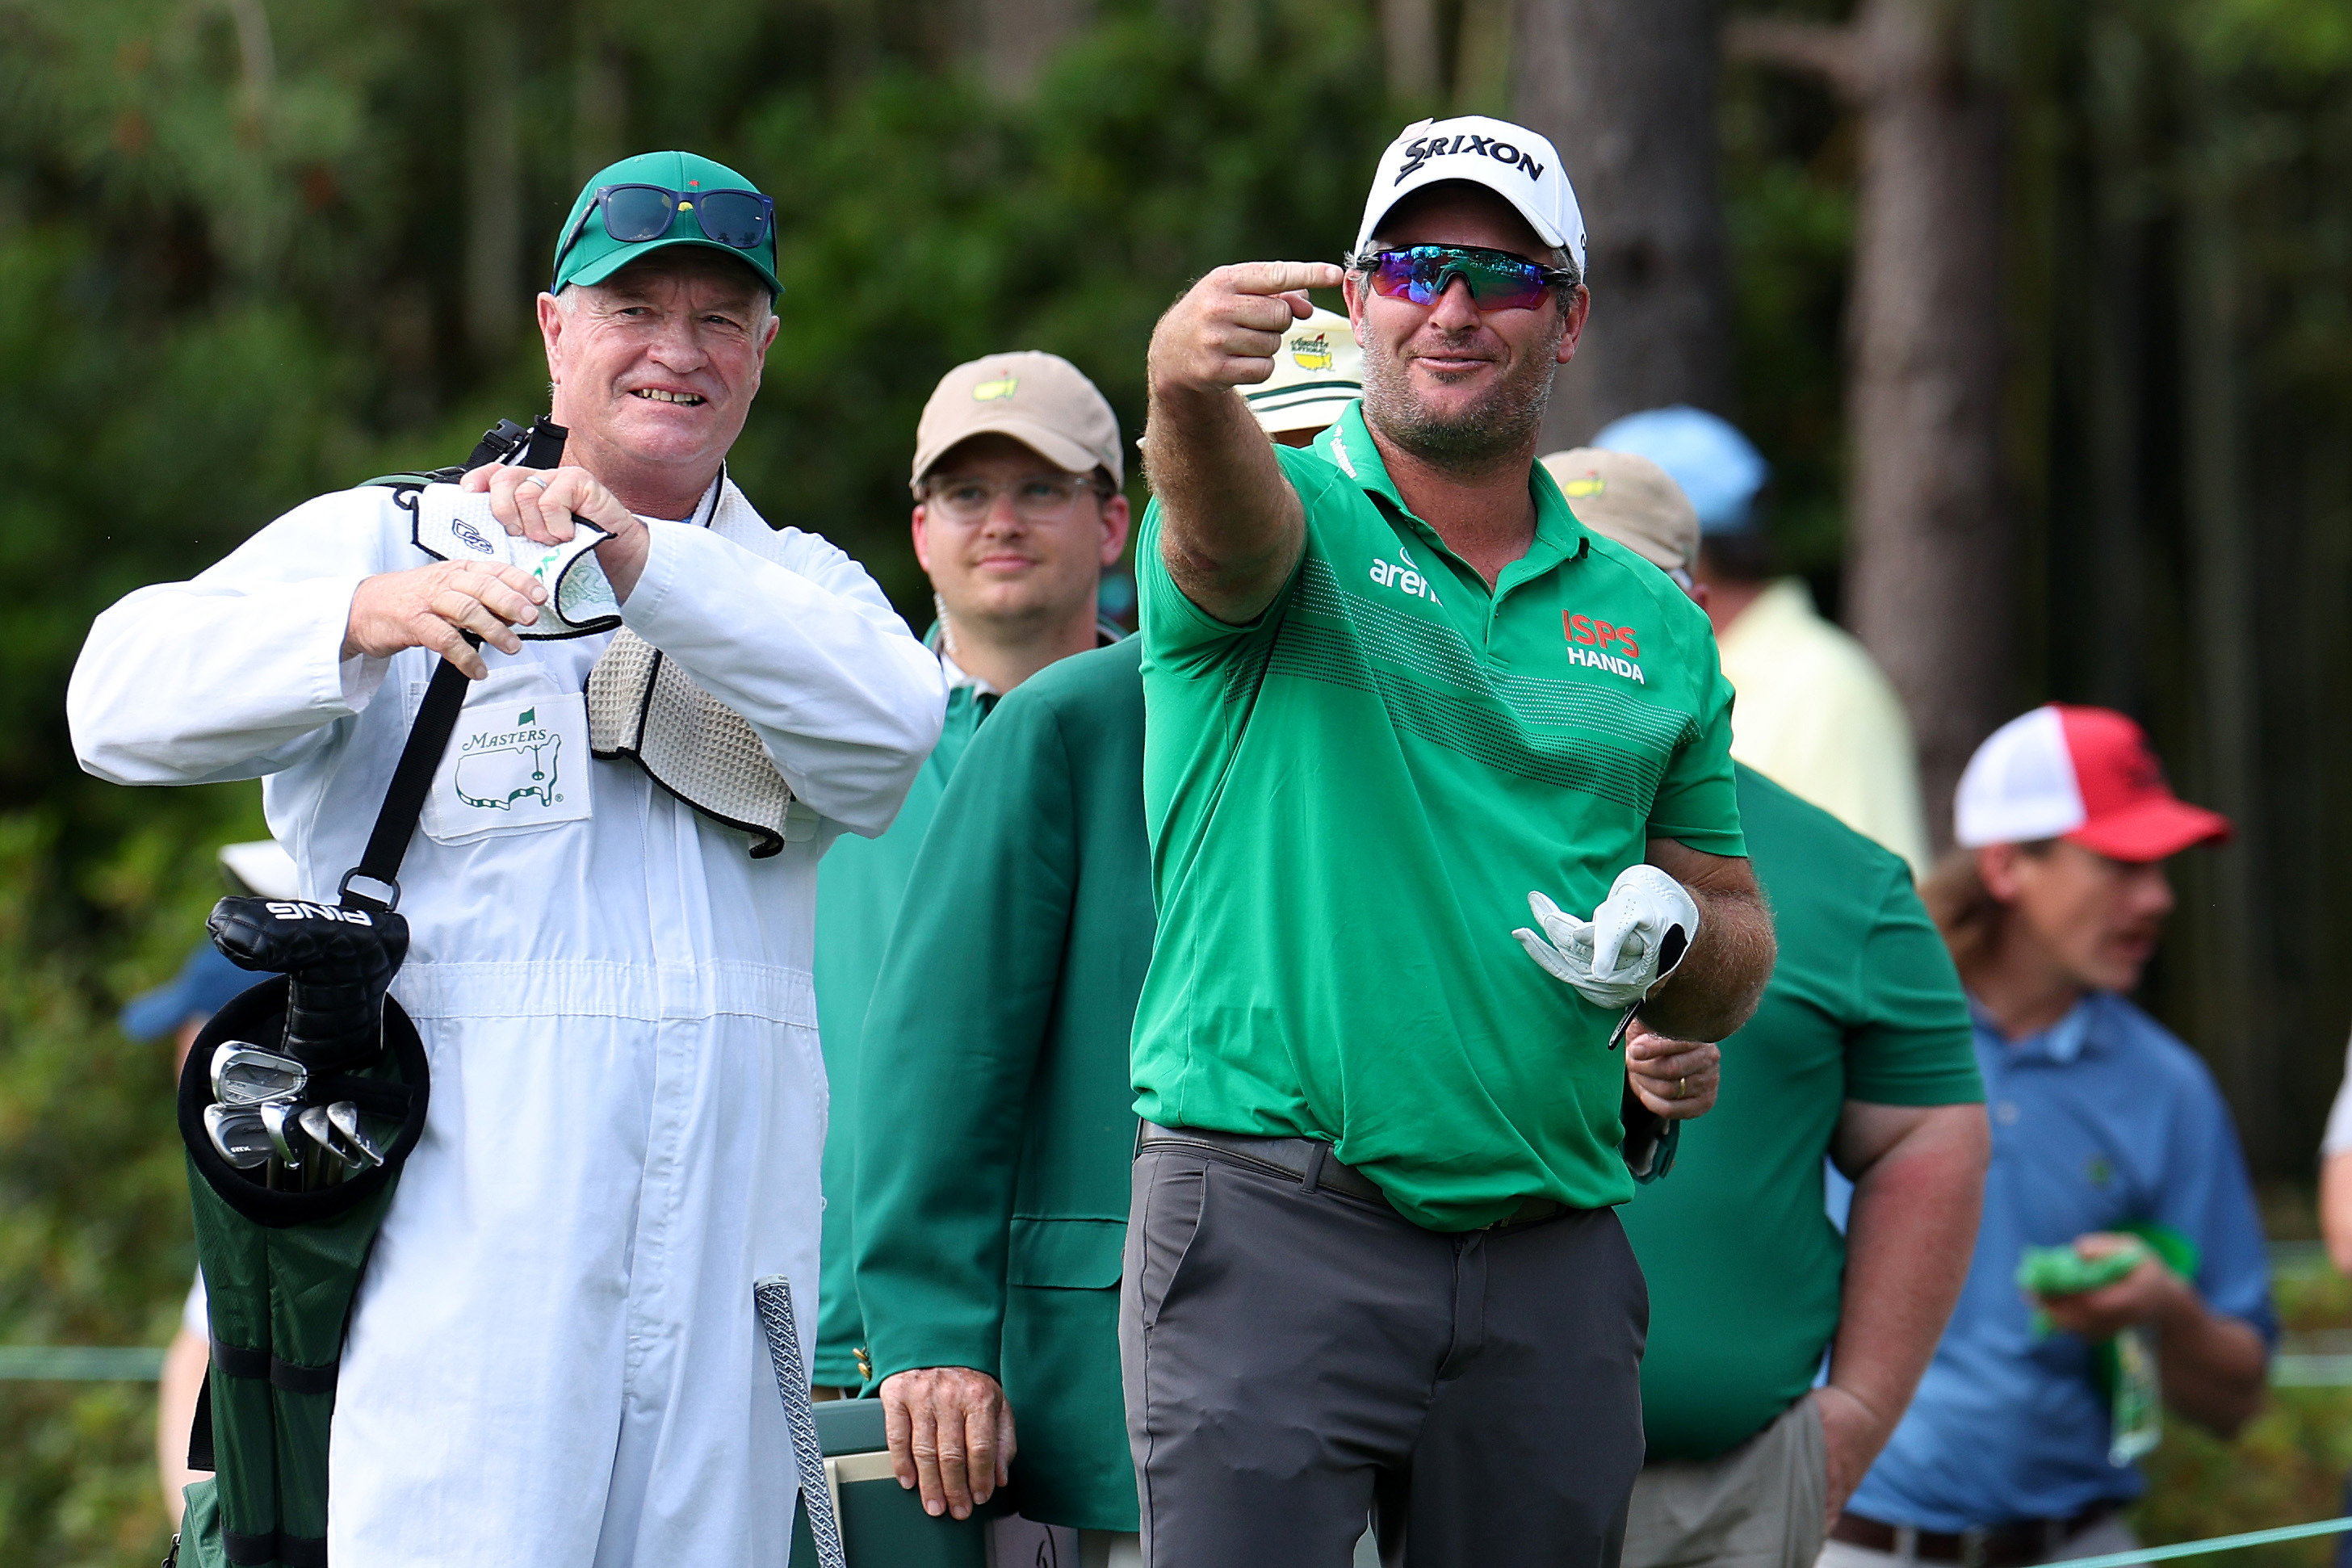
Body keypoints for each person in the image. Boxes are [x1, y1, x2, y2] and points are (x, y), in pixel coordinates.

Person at [68, 150, 945, 1567]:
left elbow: (895, 736)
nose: (675, 348)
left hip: (733, 1270)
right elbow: (111, 700)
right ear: (553, 327)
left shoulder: (803, 587)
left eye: (720, 316)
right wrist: (363, 617)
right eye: (630, 307)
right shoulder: (396, 532)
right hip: (465, 1269)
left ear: (765, 348)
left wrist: (643, 562)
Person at [1126, 112, 1776, 1563]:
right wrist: (1179, 383)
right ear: (1356, 298)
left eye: (1507, 277)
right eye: (1415, 266)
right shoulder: (1289, 514)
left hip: (1550, 1241)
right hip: (1270, 1213)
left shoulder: (1654, 617)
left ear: (1570, 320)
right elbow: (1218, 524)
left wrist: (1676, 944)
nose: (1455, 307)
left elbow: (1732, 928)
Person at [1550, 447, 1992, 1568]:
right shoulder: (1407, 827)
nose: (1591, 620)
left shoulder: (1847, 877)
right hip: (1442, 1478)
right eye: (1560, 582)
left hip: (1729, 1503)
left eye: (1629, 586)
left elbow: (1930, 1133)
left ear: (1696, 611)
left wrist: (1856, 1414)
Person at [1830, 706, 2274, 1568]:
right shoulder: (1850, 1031)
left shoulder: (2169, 1087)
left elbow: (2237, 1396)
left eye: (2161, 867)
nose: (2159, 898)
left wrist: (2163, 1309)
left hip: (2080, 1545)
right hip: (1844, 1541)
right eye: (2121, 863)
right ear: (2005, 865)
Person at [811, 350, 1131, 1396]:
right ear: (920, 532)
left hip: (1129, 1338)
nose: (1001, 520)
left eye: (1041, 488)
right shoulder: (821, 738)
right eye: (966, 493)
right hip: (854, 1344)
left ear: (1113, 521)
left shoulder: (1192, 738)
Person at [1584, 406, 1931, 876]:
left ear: (1683, 560)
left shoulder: (1824, 690)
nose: (1576, 579)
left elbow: (1873, 911)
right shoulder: (1619, 672)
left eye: (1600, 555)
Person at [124, 840, 300, 1518]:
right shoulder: (243, 1175)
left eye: (188, 1033)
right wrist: (199, 1536)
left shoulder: (273, 1184)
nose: (175, 1058)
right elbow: (195, 1354)